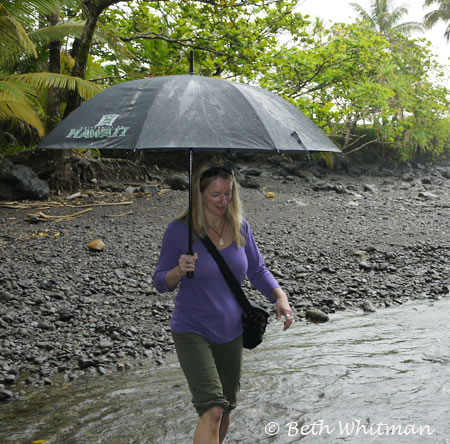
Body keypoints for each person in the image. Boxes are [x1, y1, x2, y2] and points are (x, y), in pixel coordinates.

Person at [153, 162, 293, 444]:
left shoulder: (240, 226)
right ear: (200, 194)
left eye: (228, 193)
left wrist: (280, 297)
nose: (223, 201)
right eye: (215, 195)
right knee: (213, 408)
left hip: (231, 330)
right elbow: (160, 283)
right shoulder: (180, 231)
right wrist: (179, 270)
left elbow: (257, 270)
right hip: (192, 328)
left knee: (226, 409)